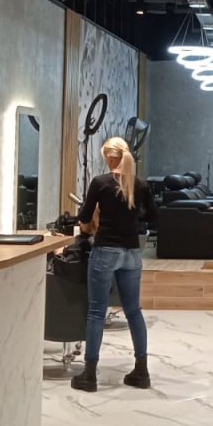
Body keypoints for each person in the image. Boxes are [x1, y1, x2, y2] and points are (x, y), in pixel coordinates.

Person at [71, 136, 152, 392]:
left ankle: (89, 375)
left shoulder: (100, 183)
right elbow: (154, 216)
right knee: (134, 311)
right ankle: (141, 372)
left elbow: (84, 217)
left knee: (96, 312)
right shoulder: (141, 185)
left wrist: (96, 214)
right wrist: (133, 217)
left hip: (106, 250)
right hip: (132, 253)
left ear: (109, 157)